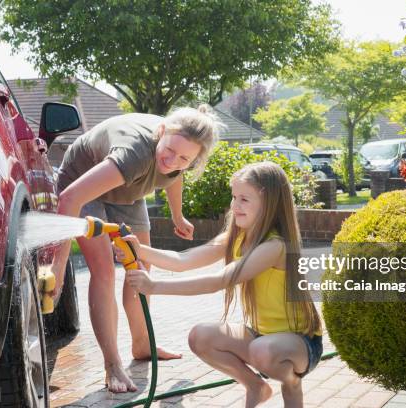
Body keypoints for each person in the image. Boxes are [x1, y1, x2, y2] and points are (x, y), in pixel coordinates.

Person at [49, 105, 223, 393]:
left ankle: (142, 344)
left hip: (128, 190)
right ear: (161, 133)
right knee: (104, 271)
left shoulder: (178, 154)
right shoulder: (136, 153)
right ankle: (112, 364)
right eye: (169, 150)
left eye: (184, 158)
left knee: (141, 266)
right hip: (82, 182)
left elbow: (173, 175)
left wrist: (177, 216)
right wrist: (59, 265)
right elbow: (69, 198)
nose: (173, 160)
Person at [123, 162, 323, 407]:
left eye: (244, 199)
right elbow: (183, 260)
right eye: (234, 197)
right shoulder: (236, 237)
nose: (235, 205)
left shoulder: (275, 246)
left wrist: (155, 286)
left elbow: (221, 280)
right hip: (261, 336)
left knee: (263, 350)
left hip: (300, 343)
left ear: (269, 203)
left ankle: (292, 383)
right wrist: (139, 250)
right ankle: (255, 386)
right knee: (200, 337)